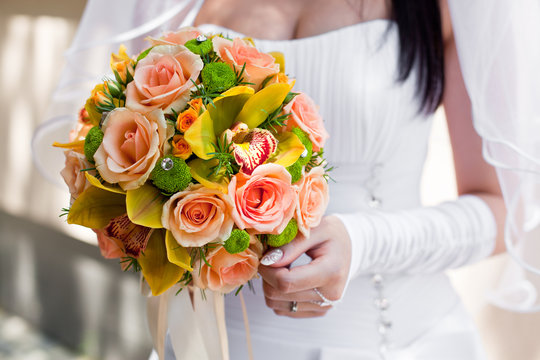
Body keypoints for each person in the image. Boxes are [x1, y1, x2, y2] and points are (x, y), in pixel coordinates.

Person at [149, 0, 506, 359]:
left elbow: (505, 213)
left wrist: (364, 242)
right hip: (214, 343)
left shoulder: (446, 8)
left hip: (381, 341)